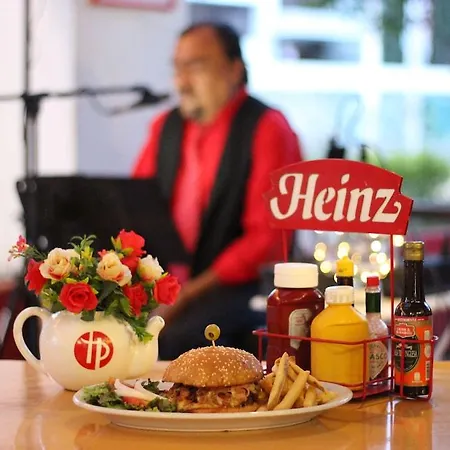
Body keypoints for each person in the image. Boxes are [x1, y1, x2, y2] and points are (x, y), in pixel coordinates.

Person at [132, 22, 302, 359]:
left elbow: (265, 240)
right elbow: (136, 207)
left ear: (234, 69)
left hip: (238, 291)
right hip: (167, 286)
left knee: (173, 343)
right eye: (177, 68)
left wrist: (185, 295)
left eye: (195, 66)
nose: (182, 81)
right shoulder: (165, 126)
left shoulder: (267, 128)